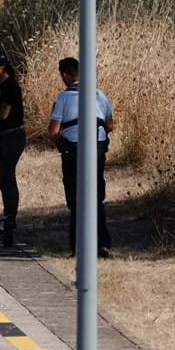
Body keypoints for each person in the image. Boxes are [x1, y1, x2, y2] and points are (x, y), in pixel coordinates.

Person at [46, 56, 114, 258]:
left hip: (73, 150)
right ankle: (102, 243)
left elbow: (53, 131)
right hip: (97, 148)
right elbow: (110, 125)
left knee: (76, 199)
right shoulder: (100, 95)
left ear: (65, 75)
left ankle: (78, 246)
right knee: (96, 196)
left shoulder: (64, 98)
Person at [0, 48, 25, 248]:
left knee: (6, 175)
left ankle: (10, 218)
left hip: (12, 135)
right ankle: (2, 216)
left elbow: (3, 114)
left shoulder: (10, 86)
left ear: (4, 66)